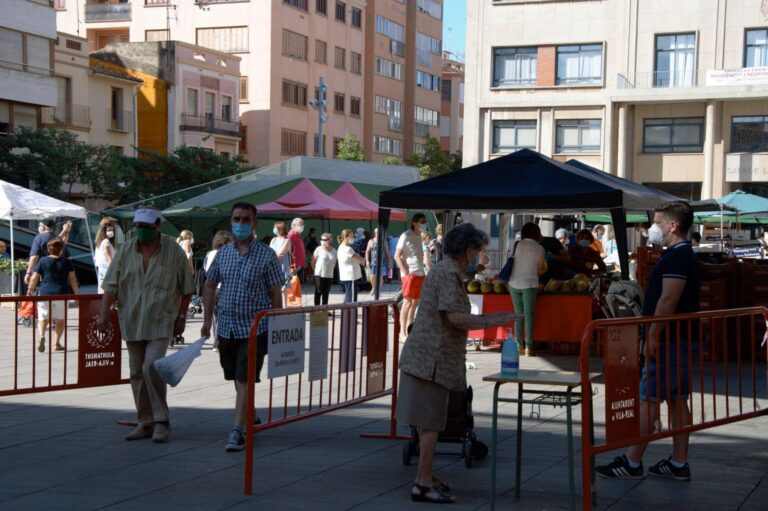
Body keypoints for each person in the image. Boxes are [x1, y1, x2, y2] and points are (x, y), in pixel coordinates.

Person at [397, 223, 518, 503]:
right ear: (467, 249)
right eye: (477, 249)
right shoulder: (447, 272)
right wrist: (492, 321)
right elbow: (453, 316)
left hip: (433, 358)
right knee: (430, 423)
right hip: (431, 359)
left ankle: (427, 476)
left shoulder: (446, 270)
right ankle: (423, 482)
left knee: (433, 422)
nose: (479, 254)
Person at [597, 201, 700, 481]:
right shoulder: (682, 255)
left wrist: (653, 335)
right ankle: (678, 463)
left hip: (671, 341)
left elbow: (669, 298)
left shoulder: (677, 257)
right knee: (677, 399)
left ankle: (632, 462)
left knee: (648, 399)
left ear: (673, 225)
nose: (651, 229)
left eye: (657, 222)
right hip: (680, 338)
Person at [98, 208, 194, 444]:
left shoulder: (173, 250)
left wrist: (182, 317)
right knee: (136, 371)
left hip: (161, 319)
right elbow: (111, 284)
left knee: (151, 366)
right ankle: (145, 421)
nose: (142, 230)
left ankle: (161, 419)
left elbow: (187, 288)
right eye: (138, 226)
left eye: (147, 227)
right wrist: (102, 316)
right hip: (131, 319)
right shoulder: (126, 250)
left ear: (158, 226)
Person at [201, 203, 283, 452]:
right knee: (235, 376)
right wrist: (206, 321)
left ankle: (238, 429)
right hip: (226, 327)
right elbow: (209, 285)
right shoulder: (223, 253)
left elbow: (275, 293)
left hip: (254, 327)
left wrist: (276, 323)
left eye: (246, 219)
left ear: (255, 223)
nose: (241, 224)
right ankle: (250, 412)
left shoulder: (266, 255)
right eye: (237, 219)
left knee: (244, 376)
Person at [28, 237, 79, 353]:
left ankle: (41, 335)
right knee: (60, 319)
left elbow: (35, 277)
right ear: (61, 248)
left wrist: (29, 290)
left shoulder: (42, 261)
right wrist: (76, 294)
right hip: (61, 294)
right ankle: (56, 343)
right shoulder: (66, 262)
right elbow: (72, 279)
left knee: (43, 318)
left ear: (48, 249)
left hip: (44, 293)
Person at [508, 222, 546, 357]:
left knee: (518, 314)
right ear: (537, 233)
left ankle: (519, 345)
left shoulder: (517, 244)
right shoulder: (540, 248)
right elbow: (540, 270)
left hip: (513, 282)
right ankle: (529, 347)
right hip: (530, 283)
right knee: (529, 314)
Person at [395, 214, 430, 339]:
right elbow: (397, 255)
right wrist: (405, 270)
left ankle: (409, 330)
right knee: (407, 303)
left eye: (425, 221)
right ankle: (402, 333)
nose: (424, 223)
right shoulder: (406, 235)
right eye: (422, 221)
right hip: (410, 274)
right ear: (414, 222)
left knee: (415, 303)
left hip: (420, 273)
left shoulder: (419, 236)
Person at [203, 230, 233, 351]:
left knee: (215, 316)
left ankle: (216, 340)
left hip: (212, 288)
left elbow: (205, 270)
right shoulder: (225, 253)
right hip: (222, 287)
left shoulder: (209, 254)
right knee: (222, 317)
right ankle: (218, 341)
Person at [25, 218, 72, 286]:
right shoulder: (56, 238)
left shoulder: (39, 237)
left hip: (44, 271)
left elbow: (34, 257)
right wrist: (66, 231)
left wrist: (28, 273)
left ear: (43, 226)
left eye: (39, 225)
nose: (38, 227)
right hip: (59, 270)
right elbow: (64, 243)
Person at [337, 228, 365, 303]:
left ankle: (346, 314)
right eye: (351, 237)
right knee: (352, 300)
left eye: (353, 237)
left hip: (346, 276)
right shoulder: (348, 249)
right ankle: (350, 314)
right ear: (345, 237)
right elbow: (359, 260)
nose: (353, 239)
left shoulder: (341, 247)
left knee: (348, 297)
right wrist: (363, 259)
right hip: (351, 276)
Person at [269, 221, 293, 306]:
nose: (274, 229)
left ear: (280, 229)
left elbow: (281, 254)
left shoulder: (287, 240)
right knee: (273, 288)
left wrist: (272, 257)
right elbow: (269, 253)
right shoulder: (273, 239)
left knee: (283, 289)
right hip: (273, 267)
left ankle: (285, 308)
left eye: (275, 228)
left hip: (283, 267)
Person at [365, 227, 392, 296]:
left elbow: (387, 251)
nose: (378, 234)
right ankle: (374, 288)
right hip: (373, 262)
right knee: (372, 276)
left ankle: (378, 290)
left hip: (382, 262)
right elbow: (367, 251)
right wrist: (367, 260)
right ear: (375, 233)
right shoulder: (371, 241)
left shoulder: (384, 241)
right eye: (377, 232)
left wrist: (390, 260)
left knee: (381, 277)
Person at [312, 232, 337, 305]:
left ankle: (324, 311)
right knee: (318, 292)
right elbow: (313, 262)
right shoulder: (318, 249)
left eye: (325, 239)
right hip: (319, 274)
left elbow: (334, 263)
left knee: (326, 293)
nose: (323, 241)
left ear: (329, 240)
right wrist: (315, 271)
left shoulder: (334, 251)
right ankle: (316, 310)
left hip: (329, 275)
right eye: (321, 239)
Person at [94, 217, 118, 293]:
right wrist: (114, 269)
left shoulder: (100, 242)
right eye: (109, 230)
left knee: (102, 291)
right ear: (104, 230)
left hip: (102, 269)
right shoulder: (106, 241)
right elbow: (107, 256)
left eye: (112, 230)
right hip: (108, 270)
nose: (111, 232)